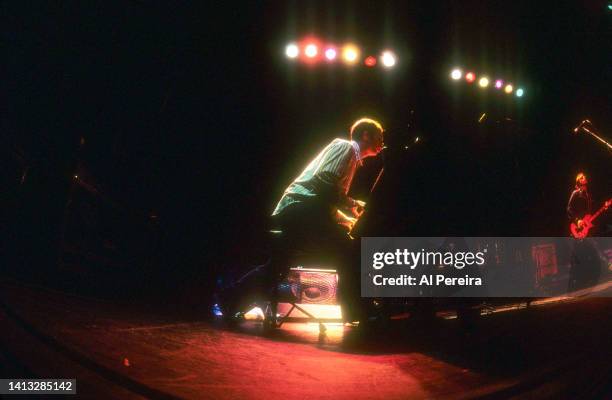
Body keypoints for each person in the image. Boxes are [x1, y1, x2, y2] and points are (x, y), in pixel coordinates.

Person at [216, 118, 385, 322]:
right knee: (349, 251)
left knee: (278, 264)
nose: (382, 142)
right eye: (379, 137)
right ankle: (358, 311)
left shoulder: (352, 157)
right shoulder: (346, 146)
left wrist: (347, 218)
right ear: (365, 135)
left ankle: (229, 298)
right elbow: (325, 182)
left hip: (300, 211)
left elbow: (324, 197)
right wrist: (350, 208)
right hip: (301, 209)